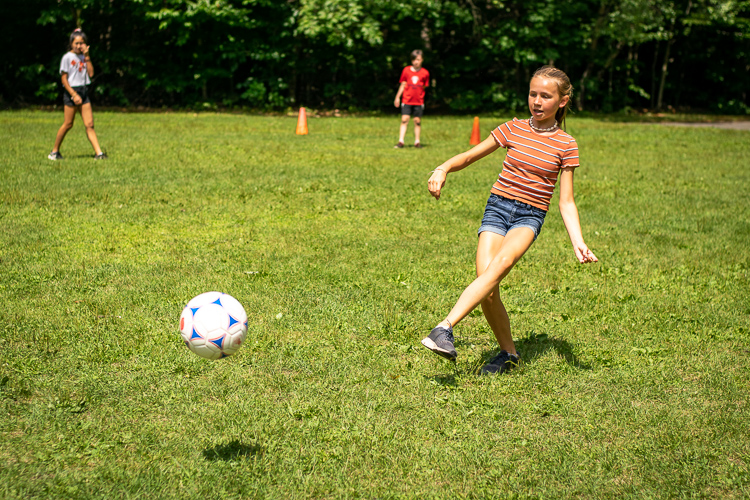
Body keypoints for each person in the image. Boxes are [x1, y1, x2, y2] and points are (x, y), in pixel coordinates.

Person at [421, 66, 598, 374]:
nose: (537, 101)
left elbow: (566, 201)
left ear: (563, 101)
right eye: (533, 94)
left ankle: (444, 327)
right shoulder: (513, 128)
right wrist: (443, 168)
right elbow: (470, 156)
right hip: (497, 209)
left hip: (529, 217)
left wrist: (578, 242)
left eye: (546, 96)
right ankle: (509, 354)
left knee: (498, 267)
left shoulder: (566, 144)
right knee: (488, 288)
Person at [48, 28, 107, 161]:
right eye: (76, 43)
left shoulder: (84, 57)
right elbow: (63, 79)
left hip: (83, 91)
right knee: (68, 124)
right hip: (71, 92)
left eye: (82, 43)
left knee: (89, 124)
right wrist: (74, 94)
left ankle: (99, 154)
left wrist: (87, 57)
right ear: (71, 43)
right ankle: (54, 152)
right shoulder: (67, 57)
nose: (79, 46)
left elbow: (91, 74)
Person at [393, 50, 429, 149]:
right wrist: (397, 97)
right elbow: (403, 84)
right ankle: (401, 141)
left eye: (418, 59)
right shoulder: (406, 70)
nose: (415, 62)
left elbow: (424, 86)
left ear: (422, 60)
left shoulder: (425, 73)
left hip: (418, 101)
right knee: (404, 119)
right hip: (407, 100)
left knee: (417, 121)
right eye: (413, 59)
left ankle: (417, 142)